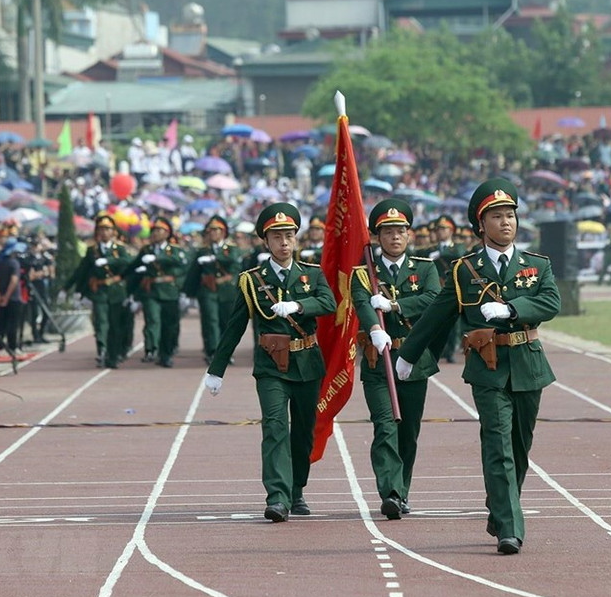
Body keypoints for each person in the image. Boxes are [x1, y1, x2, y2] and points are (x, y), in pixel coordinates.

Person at [396, 178, 561, 555]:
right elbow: (435, 317)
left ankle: (501, 507)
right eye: (497, 217)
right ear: (480, 225)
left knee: (520, 447)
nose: (506, 223)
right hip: (487, 369)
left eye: (511, 216)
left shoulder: (536, 266)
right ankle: (510, 527)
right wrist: (407, 356)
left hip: (528, 365)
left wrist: (514, 309)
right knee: (498, 443)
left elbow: (551, 302)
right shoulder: (462, 271)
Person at [202, 203, 336, 522]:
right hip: (271, 367)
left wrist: (298, 306)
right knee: (275, 426)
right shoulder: (252, 281)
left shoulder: (311, 274)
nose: (284, 242)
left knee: (303, 431)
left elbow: (329, 303)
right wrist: (216, 369)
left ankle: (296, 489)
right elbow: (235, 325)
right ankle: (277, 496)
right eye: (277, 236)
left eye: (289, 235)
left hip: (306, 363)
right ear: (266, 241)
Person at [351, 199, 440, 519]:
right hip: (380, 360)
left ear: (409, 234)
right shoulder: (364, 274)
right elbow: (361, 303)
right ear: (377, 237)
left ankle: (403, 490)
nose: (395, 237)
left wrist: (395, 307)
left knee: (409, 430)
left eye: (400, 230)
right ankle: (389, 491)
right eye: (388, 231)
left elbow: (432, 299)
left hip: (414, 359)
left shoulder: (426, 268)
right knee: (385, 425)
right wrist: (374, 326)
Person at [65, 213, 131, 368]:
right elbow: (81, 271)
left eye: (107, 229)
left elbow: (128, 263)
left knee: (115, 324)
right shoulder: (92, 251)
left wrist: (109, 260)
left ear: (113, 231)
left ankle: (113, 355)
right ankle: (102, 350)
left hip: (116, 291)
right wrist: (68, 288)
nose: (103, 232)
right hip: (99, 290)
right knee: (101, 323)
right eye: (100, 229)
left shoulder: (119, 249)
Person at [127, 217, 188, 367]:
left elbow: (180, 263)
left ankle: (165, 354)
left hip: (169, 292)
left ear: (167, 233)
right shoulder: (146, 250)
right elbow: (132, 267)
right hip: (151, 291)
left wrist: (157, 258)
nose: (155, 233)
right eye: (153, 230)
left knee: (169, 324)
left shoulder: (174, 250)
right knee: (152, 320)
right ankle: (151, 349)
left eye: (159, 230)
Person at [183, 215, 243, 365]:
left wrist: (216, 259)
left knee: (226, 322)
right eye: (211, 230)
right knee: (210, 321)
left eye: (217, 230)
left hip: (227, 290)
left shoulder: (231, 249)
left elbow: (234, 263)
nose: (213, 233)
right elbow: (194, 272)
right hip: (208, 290)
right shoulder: (203, 251)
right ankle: (212, 351)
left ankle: (226, 352)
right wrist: (189, 293)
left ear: (223, 232)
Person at [428, 215, 466, 363]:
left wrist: (440, 254)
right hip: (437, 288)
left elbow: (459, 254)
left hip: (453, 288)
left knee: (454, 323)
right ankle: (437, 350)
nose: (440, 232)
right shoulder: (430, 249)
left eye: (444, 229)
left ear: (451, 230)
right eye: (438, 229)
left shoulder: (457, 246)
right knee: (436, 320)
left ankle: (450, 352)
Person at [0, 237, 24, 354]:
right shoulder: (14, 263)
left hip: (0, 298)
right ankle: (13, 347)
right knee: (13, 323)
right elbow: (14, 281)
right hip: (13, 298)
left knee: (1, 323)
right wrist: (6, 296)